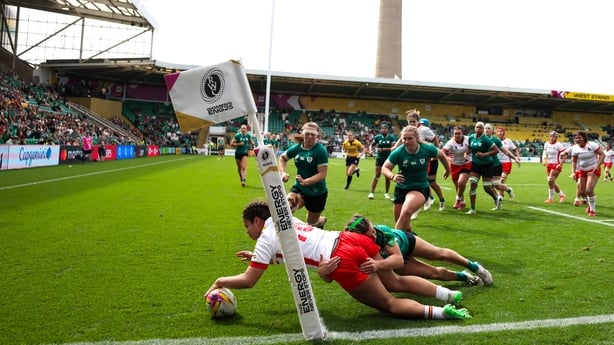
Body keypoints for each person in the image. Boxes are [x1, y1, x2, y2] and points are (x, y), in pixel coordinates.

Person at [205, 200, 472, 320]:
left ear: (257, 221)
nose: (248, 233)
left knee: (389, 304)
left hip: (338, 259)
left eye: (247, 227)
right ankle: (448, 295)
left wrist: (220, 280)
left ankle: (442, 313)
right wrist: (258, 256)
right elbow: (293, 249)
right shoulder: (285, 220)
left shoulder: (265, 238)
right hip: (348, 239)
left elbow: (249, 281)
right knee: (396, 280)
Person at [343, 214, 493, 286]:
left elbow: (398, 259)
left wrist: (378, 265)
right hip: (395, 262)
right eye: (370, 235)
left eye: (373, 230)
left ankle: (475, 267)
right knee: (435, 273)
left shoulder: (382, 231)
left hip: (406, 243)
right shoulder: (355, 245)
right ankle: (466, 278)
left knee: (438, 254)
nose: (374, 235)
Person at [381, 125, 450, 232]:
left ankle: (393, 239)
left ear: (417, 139)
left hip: (420, 188)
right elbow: (385, 168)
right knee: (404, 226)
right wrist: (393, 176)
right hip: (401, 189)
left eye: (410, 138)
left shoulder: (427, 148)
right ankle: (410, 241)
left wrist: (447, 169)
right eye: (404, 139)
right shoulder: (399, 152)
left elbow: (441, 155)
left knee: (407, 211)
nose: (406, 141)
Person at [279, 122, 329, 228]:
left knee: (312, 223)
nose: (310, 136)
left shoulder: (320, 150)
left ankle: (321, 221)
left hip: (317, 193)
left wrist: (307, 181)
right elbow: (282, 158)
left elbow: (322, 174)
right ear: (302, 133)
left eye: (313, 134)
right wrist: (283, 172)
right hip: (299, 188)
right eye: (307, 133)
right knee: (286, 208)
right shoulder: (297, 148)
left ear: (317, 136)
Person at [564, 131, 605, 217]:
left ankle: (592, 210)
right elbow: (574, 161)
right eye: (575, 138)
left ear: (584, 138)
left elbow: (602, 154)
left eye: (579, 137)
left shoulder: (592, 145)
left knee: (589, 190)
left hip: (593, 170)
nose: (577, 139)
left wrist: (597, 165)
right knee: (582, 191)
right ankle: (589, 205)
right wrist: (573, 172)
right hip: (582, 171)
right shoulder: (575, 148)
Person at [484, 123, 520, 210]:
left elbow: (508, 151)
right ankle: (503, 196)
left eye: (489, 128)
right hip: (488, 164)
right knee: (489, 186)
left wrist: (516, 157)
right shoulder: (481, 139)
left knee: (498, 182)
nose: (486, 130)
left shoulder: (498, 140)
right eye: (485, 128)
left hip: (500, 163)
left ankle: (503, 194)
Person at [465, 122, 499, 214]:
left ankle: (496, 198)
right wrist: (466, 153)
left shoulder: (486, 139)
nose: (478, 129)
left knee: (487, 188)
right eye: (476, 127)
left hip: (487, 165)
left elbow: (496, 150)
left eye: (480, 127)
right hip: (476, 165)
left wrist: (484, 154)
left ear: (483, 129)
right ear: (474, 128)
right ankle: (472, 209)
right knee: (472, 185)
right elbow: (469, 147)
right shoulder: (471, 137)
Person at [441, 126, 472, 210]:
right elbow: (442, 152)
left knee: (461, 183)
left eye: (459, 133)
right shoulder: (450, 143)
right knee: (458, 187)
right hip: (454, 165)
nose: (457, 135)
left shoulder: (468, 139)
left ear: (462, 134)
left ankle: (457, 200)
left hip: (466, 164)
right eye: (455, 134)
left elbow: (474, 145)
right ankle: (462, 202)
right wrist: (447, 159)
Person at [368, 124, 397, 199]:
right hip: (380, 158)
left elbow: (393, 148)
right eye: (382, 128)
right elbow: (371, 145)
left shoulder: (391, 137)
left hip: (388, 159)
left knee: (387, 176)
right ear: (380, 129)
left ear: (387, 130)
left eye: (385, 128)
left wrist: (384, 149)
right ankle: (371, 193)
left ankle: (386, 193)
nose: (383, 129)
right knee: (377, 175)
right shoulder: (377, 137)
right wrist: (371, 150)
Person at [541, 131, 567, 203]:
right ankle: (561, 195)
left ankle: (550, 198)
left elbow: (565, 155)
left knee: (550, 180)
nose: (552, 138)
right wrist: (544, 159)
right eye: (551, 136)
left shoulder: (559, 145)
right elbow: (545, 152)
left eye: (554, 136)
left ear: (556, 137)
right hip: (549, 164)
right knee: (551, 181)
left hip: (556, 164)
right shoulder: (546, 144)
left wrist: (561, 164)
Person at [495, 127, 520, 200]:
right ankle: (507, 190)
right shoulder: (494, 141)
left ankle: (500, 196)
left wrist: (517, 157)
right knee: (497, 182)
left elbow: (515, 149)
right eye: (498, 131)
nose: (500, 133)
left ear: (504, 132)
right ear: (496, 133)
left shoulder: (508, 141)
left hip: (506, 162)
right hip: (497, 163)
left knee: (502, 180)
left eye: (501, 131)